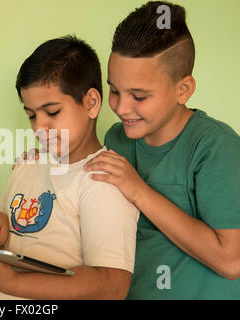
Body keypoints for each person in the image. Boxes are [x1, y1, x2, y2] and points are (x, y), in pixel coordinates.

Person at [0, 35, 139, 299]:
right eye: (31, 114)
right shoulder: (27, 165)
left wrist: (14, 283)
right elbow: (10, 235)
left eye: (52, 112)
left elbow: (112, 286)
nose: (38, 127)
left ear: (91, 103)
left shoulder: (102, 179)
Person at [84, 1, 240, 299]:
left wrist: (137, 189)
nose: (120, 107)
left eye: (139, 96)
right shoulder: (117, 140)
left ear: (183, 90)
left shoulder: (217, 147)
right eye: (114, 90)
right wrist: (39, 168)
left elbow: (232, 261)